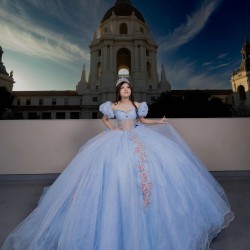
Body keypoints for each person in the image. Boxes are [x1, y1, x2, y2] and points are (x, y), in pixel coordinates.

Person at [2, 77, 233, 250]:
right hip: (116, 141)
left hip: (139, 139)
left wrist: (158, 121)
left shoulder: (137, 105)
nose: (126, 90)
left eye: (128, 87)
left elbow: (142, 120)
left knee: (150, 177)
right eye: (123, 88)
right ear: (118, 90)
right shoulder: (110, 106)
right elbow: (104, 119)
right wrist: (112, 130)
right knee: (113, 178)